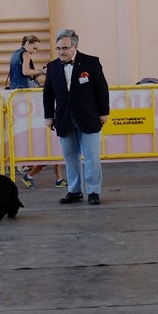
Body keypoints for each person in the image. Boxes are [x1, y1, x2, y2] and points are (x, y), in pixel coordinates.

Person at [43, 29, 109, 205]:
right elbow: (48, 93)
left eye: (64, 48)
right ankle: (74, 191)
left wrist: (104, 112)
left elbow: (102, 89)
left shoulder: (91, 62)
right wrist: (48, 116)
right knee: (70, 157)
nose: (61, 52)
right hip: (64, 118)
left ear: (75, 47)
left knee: (91, 156)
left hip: (88, 117)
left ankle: (93, 191)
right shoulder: (52, 67)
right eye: (58, 48)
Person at [7, 34, 66, 189]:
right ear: (27, 43)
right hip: (25, 96)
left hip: (17, 94)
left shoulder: (15, 54)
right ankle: (50, 177)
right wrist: (41, 72)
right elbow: (26, 71)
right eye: (34, 48)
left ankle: (56, 178)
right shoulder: (25, 54)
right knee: (50, 143)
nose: (34, 51)